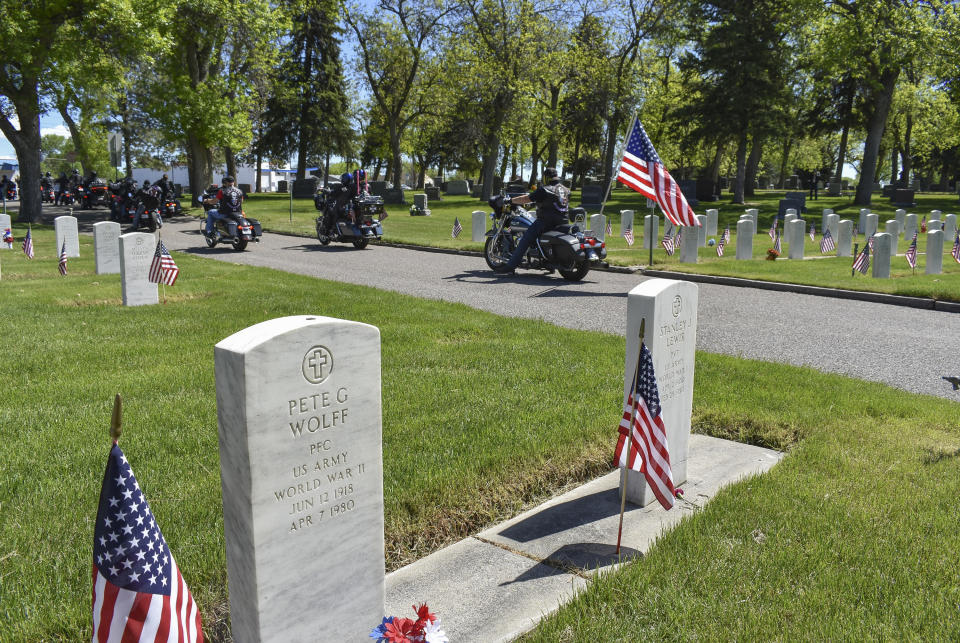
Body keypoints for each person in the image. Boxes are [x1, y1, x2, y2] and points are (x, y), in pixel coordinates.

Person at [493, 167, 569, 273]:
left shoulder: (545, 189)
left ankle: (510, 266)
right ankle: (550, 265)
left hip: (546, 222)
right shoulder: (565, 189)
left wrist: (511, 200)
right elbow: (551, 201)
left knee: (526, 239)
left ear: (546, 177)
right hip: (563, 221)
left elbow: (527, 198)